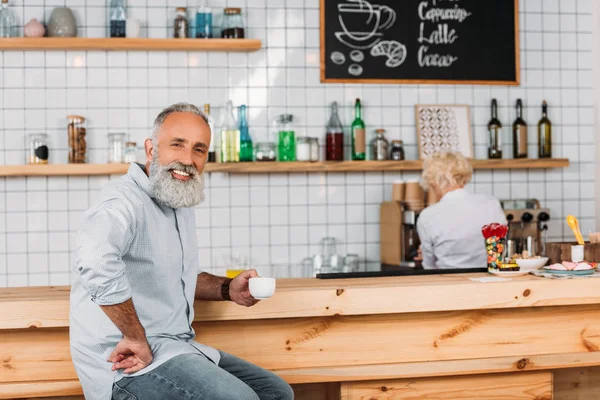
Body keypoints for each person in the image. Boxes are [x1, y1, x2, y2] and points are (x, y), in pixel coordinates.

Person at [70, 103, 294, 400]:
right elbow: (95, 262)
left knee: (276, 393)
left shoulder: (176, 199)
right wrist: (135, 337)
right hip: (126, 361)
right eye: (178, 145)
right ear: (151, 150)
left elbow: (172, 273)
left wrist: (228, 289)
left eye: (199, 150)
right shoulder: (122, 202)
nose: (188, 159)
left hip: (175, 347)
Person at [417, 152, 507, 269]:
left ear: (434, 184)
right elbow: (499, 251)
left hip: (448, 284)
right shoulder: (491, 203)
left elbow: (429, 266)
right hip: (488, 280)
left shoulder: (427, 216)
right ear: (463, 178)